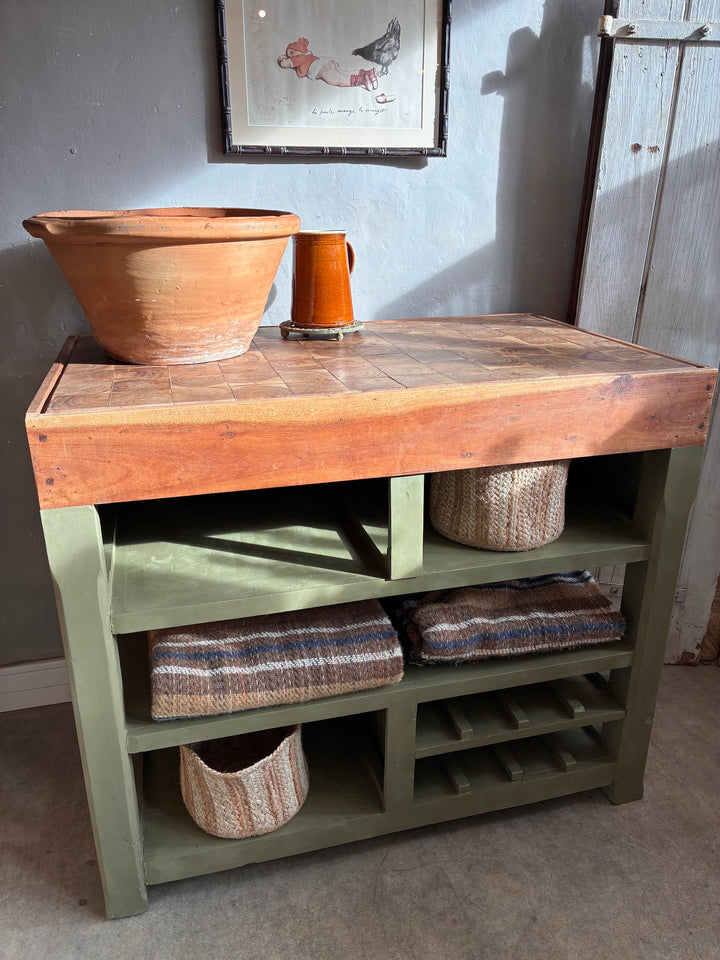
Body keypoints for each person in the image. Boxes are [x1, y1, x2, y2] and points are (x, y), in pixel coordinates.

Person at [277, 38, 378, 91]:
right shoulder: (307, 55)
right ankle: (366, 73)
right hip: (326, 62)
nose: (289, 56)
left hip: (319, 68)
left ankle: (361, 80)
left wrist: (283, 58)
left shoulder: (299, 58)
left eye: (291, 53)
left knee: (338, 79)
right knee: (343, 73)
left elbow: (284, 64)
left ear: (299, 50)